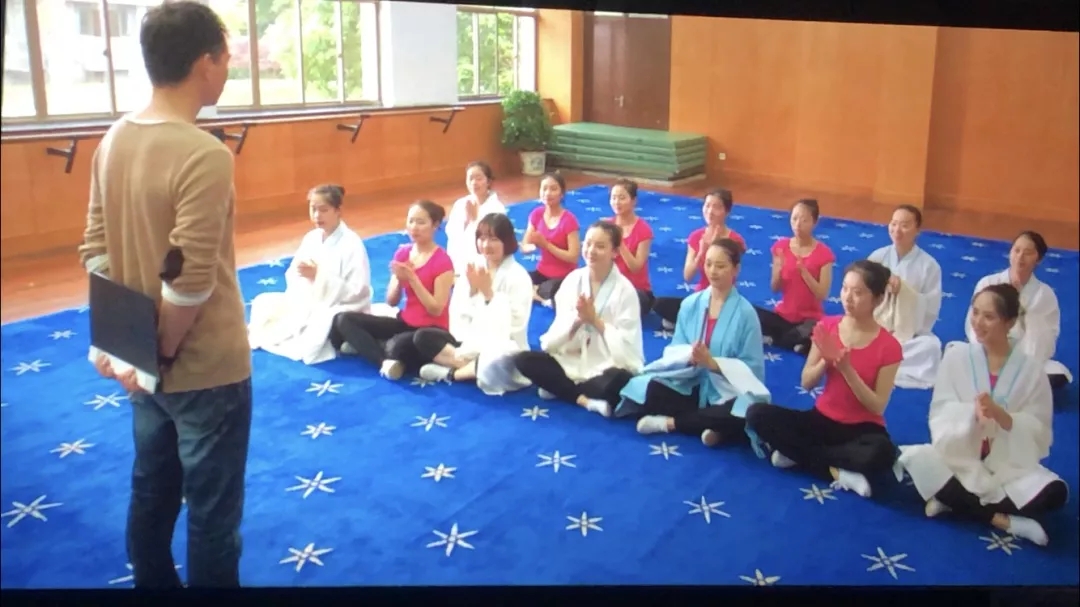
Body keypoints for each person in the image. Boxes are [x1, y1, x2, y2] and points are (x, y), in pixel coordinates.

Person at [77, 1, 250, 588]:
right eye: (225, 58)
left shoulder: (114, 138)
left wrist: (127, 347)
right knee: (212, 517)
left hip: (142, 365)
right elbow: (190, 279)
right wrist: (159, 353)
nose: (227, 69)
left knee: (152, 492)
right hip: (201, 367)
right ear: (204, 63)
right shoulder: (205, 153)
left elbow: (95, 249)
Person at [895, 284, 1068, 547]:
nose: (977, 322)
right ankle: (1002, 520)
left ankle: (953, 500)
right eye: (975, 312)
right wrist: (970, 415)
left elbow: (1040, 427)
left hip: (1007, 464)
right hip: (961, 458)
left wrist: (1003, 417)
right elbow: (940, 411)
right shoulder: (956, 356)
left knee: (1055, 493)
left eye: (988, 316)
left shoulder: (1031, 370)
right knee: (917, 459)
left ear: (1009, 322)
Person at [745, 261, 902, 499]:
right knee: (757, 414)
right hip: (820, 420)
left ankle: (798, 455)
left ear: (878, 299)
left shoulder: (889, 347)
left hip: (861, 430)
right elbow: (806, 382)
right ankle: (836, 470)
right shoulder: (827, 327)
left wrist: (847, 370)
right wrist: (825, 362)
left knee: (882, 454)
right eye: (845, 289)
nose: (848, 298)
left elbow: (877, 406)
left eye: (858, 292)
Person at [615, 238, 770, 446]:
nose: (712, 271)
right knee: (648, 388)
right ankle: (712, 427)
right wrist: (690, 357)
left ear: (736, 269)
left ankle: (672, 423)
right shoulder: (691, 304)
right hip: (690, 380)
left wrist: (714, 364)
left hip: (726, 389)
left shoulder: (746, 314)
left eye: (720, 266)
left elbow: (754, 371)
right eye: (708, 264)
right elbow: (675, 349)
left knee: (749, 410)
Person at [511, 221, 645, 417]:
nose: (591, 251)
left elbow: (628, 347)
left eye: (600, 246)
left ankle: (559, 388)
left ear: (615, 252)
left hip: (605, 364)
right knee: (524, 360)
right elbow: (555, 335)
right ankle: (584, 400)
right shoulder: (574, 279)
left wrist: (595, 321)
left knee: (619, 379)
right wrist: (578, 320)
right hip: (570, 358)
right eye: (588, 244)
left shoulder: (625, 291)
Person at [248, 184, 372, 364]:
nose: (317, 215)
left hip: (339, 305)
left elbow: (358, 290)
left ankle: (348, 339)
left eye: (323, 210)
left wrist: (319, 276)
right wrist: (303, 279)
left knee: (324, 322)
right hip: (308, 302)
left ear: (338, 211)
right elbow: (293, 275)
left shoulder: (352, 243)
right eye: (313, 209)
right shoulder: (311, 238)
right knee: (263, 302)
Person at [329, 201, 454, 380]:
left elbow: (436, 309)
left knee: (397, 347)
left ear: (435, 225)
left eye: (421, 222)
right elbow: (391, 301)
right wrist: (399, 280)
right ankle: (385, 362)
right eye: (411, 221)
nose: (414, 227)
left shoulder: (442, 261)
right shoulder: (403, 253)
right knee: (343, 320)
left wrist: (413, 279)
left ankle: (370, 348)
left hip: (429, 331)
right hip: (404, 323)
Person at [418, 213, 534, 395]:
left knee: (497, 358)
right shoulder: (474, 267)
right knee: (422, 337)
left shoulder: (519, 277)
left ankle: (454, 374)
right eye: (482, 238)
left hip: (501, 346)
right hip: (469, 342)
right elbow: (458, 313)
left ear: (507, 241)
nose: (486, 245)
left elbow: (515, 327)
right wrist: (473, 292)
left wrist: (489, 295)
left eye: (494, 239)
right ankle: (472, 368)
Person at [961, 231, 1071, 389]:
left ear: (1038, 259)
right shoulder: (988, 283)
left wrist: (1022, 304)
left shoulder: (1045, 295)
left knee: (1057, 374)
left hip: (1024, 354)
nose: (1020, 257)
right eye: (1017, 250)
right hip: (987, 351)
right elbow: (973, 323)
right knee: (957, 358)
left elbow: (1046, 337)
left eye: (1028, 253)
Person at [866, 204, 943, 389]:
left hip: (908, 335)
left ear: (917, 230)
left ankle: (877, 364)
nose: (897, 230)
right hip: (876, 328)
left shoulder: (929, 266)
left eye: (905, 225)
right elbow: (863, 292)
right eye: (893, 224)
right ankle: (881, 361)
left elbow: (931, 308)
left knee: (931, 347)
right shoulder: (877, 257)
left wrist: (904, 291)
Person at [653, 189, 746, 328]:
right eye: (707, 206)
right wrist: (702, 252)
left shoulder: (735, 241)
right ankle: (697, 323)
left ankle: (694, 323)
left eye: (716, 207)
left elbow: (730, 277)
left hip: (723, 298)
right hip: (700, 297)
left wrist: (715, 248)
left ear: (727, 211)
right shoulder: (696, 236)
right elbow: (687, 276)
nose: (710, 211)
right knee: (661, 304)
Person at [754, 198, 835, 353]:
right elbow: (775, 288)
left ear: (815, 222)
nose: (798, 224)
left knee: (824, 331)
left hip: (809, 320)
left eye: (804, 220)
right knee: (750, 313)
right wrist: (778, 271)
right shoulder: (780, 247)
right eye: (794, 218)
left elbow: (822, 294)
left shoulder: (824, 254)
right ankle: (796, 344)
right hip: (783, 316)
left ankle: (778, 339)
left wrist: (805, 273)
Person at [520, 172, 580, 306]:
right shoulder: (536, 214)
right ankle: (538, 294)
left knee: (551, 289)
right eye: (544, 189)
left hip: (564, 275)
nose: (548, 193)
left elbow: (573, 257)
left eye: (553, 189)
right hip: (542, 271)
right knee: (518, 281)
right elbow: (525, 245)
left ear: (561, 194)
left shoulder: (569, 220)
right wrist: (530, 246)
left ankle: (537, 293)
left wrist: (546, 245)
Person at [604, 179, 656, 317]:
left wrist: (619, 241)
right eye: (613, 198)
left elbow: (636, 267)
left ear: (633, 201)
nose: (617, 202)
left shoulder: (643, 230)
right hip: (610, 285)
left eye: (622, 198)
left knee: (634, 301)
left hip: (635, 289)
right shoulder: (606, 226)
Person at [444, 161, 506, 274]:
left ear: (488, 181)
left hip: (483, 266)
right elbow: (451, 233)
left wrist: (474, 221)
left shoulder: (497, 208)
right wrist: (466, 221)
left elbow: (491, 240)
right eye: (470, 179)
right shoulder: (460, 204)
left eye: (479, 178)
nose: (474, 183)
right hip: (458, 263)